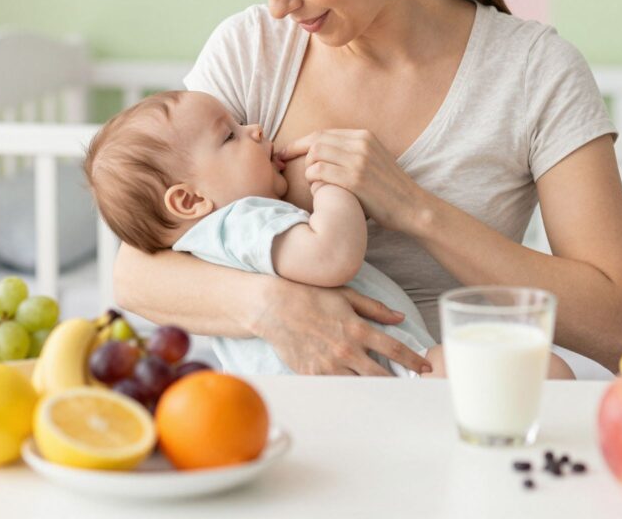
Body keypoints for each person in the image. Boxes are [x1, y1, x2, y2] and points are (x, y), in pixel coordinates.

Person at [114, 0, 622, 377]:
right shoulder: (252, 51)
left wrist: (414, 208)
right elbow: (134, 271)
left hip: (451, 404)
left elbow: (616, 326)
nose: (277, 7)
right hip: (290, 422)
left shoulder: (534, 73)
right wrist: (273, 307)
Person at [86, 89, 575, 379]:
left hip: (340, 382)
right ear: (190, 201)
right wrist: (334, 183)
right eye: (230, 135)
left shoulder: (206, 243)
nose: (255, 129)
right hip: (380, 372)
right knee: (547, 373)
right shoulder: (241, 222)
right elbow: (331, 256)